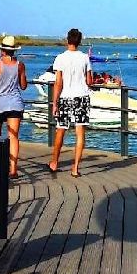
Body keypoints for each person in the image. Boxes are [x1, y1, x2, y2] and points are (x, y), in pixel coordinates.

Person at [49, 28, 93, 177]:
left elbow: (58, 83)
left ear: (67, 40)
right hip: (82, 96)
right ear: (79, 41)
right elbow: (89, 81)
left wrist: (55, 103)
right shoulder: (85, 58)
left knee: (61, 130)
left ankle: (54, 162)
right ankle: (75, 168)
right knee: (80, 133)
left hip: (65, 97)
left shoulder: (60, 58)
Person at [0, 35, 27, 178]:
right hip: (15, 103)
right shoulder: (20, 65)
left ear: (2, 50)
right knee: (13, 136)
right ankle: (13, 169)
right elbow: (23, 86)